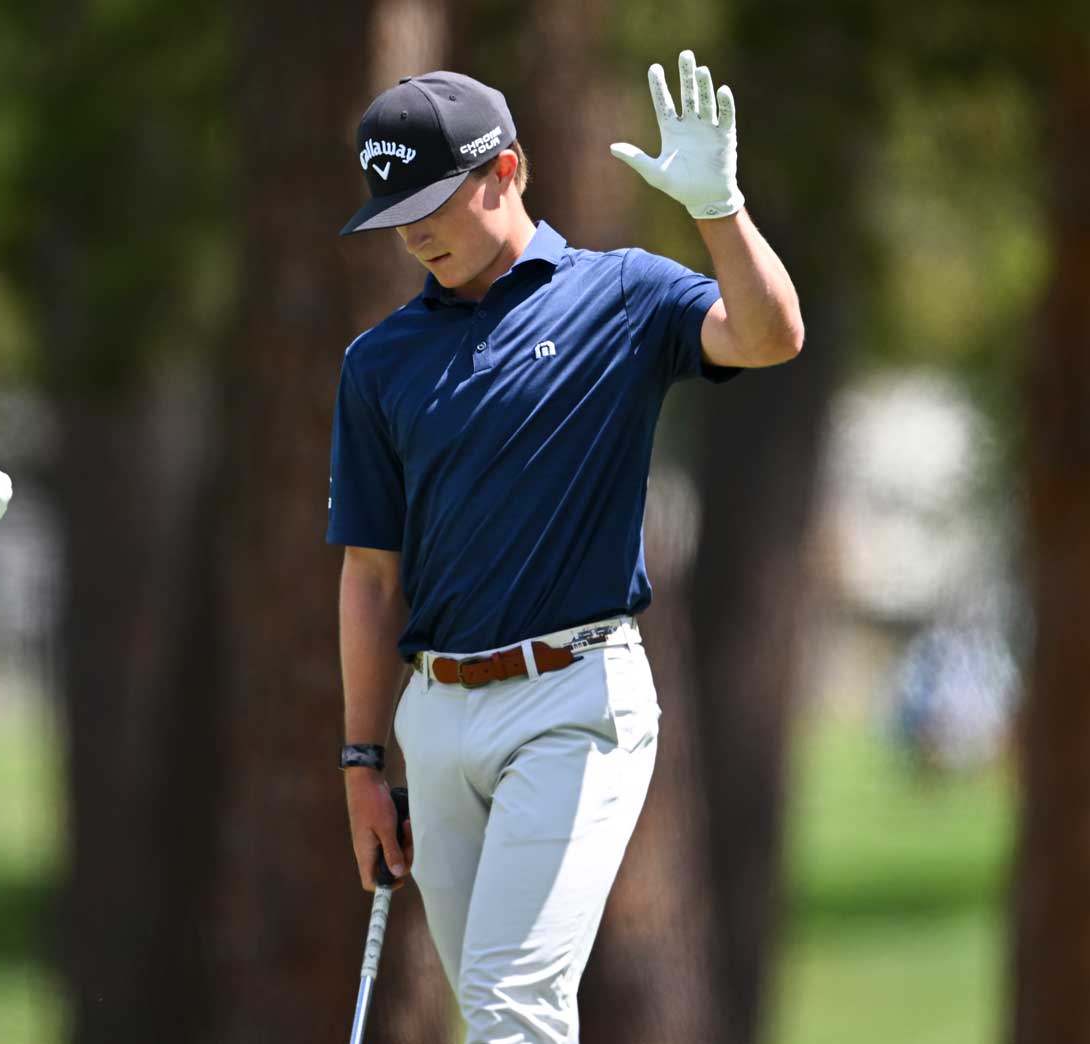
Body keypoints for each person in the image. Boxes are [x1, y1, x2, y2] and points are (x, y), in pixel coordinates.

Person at [328, 51, 803, 1042]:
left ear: (504, 170)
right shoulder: (378, 363)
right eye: (394, 214)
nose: (412, 233)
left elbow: (767, 337)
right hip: (436, 720)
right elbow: (371, 575)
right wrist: (362, 760)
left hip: (572, 702)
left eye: (430, 203)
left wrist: (718, 212)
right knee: (493, 1012)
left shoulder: (619, 297)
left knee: (513, 1004)